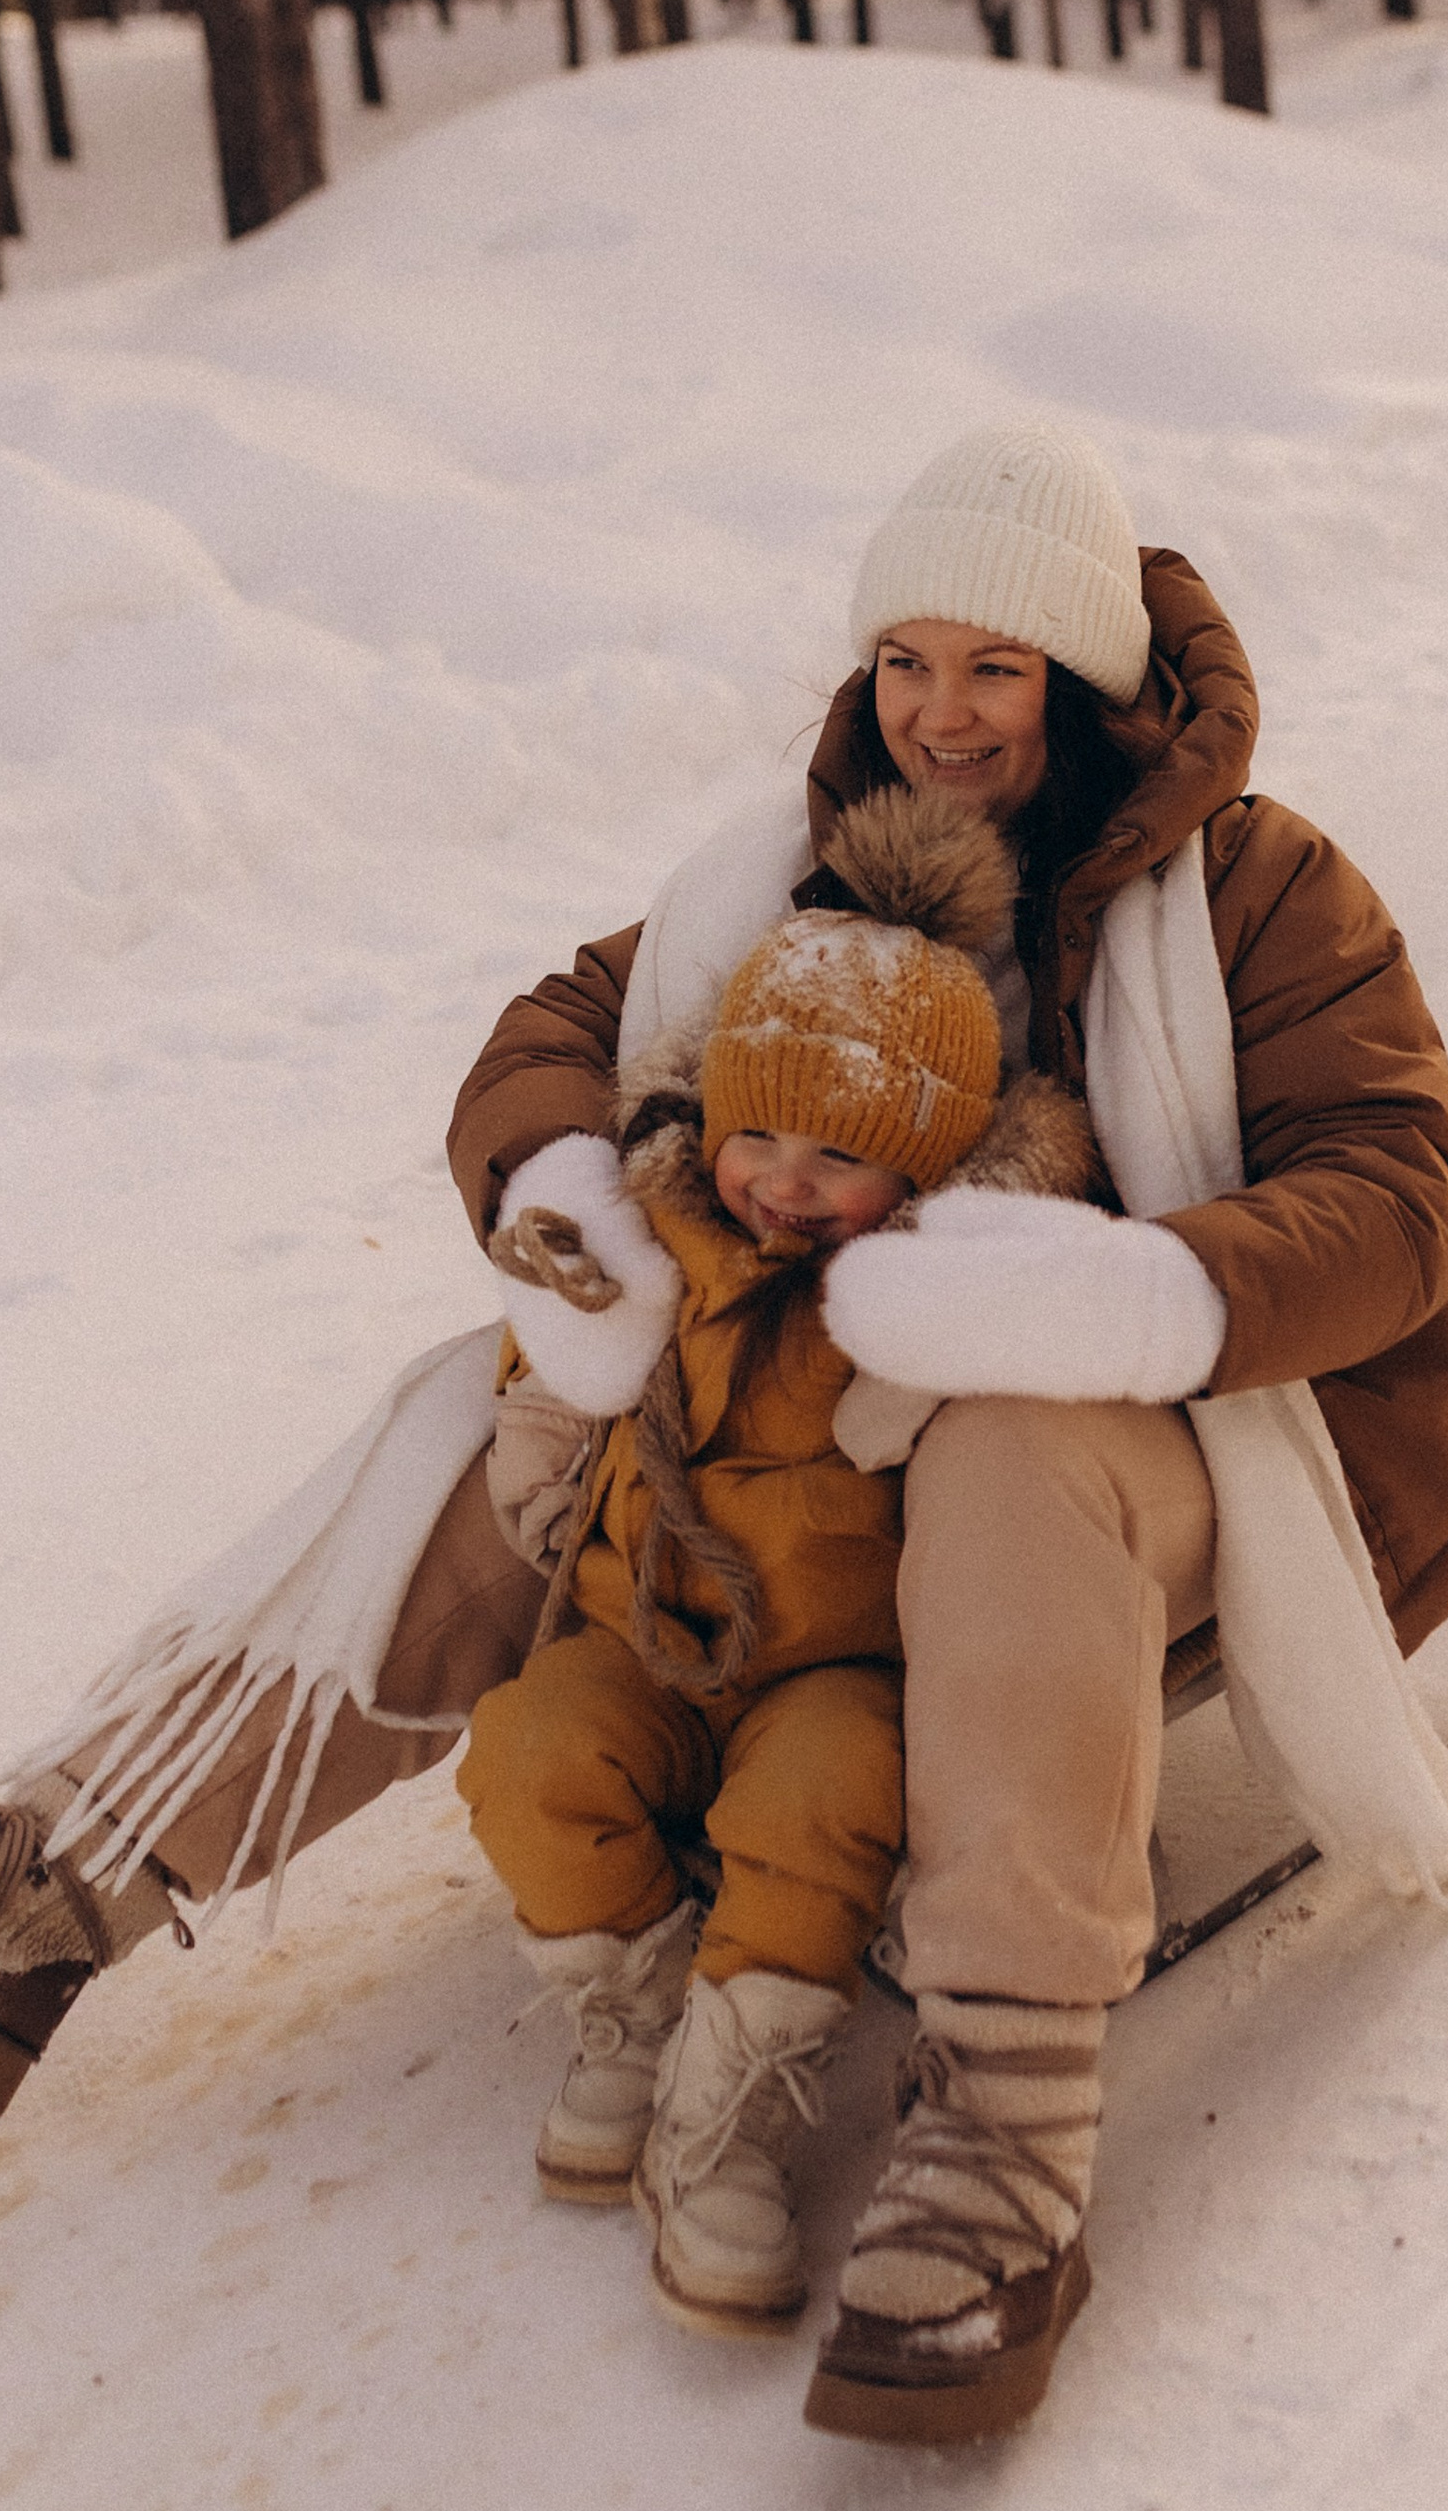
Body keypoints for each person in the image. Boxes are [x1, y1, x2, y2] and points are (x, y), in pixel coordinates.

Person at [0, 425, 1448, 2450]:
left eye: (993, 669)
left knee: (1008, 1437)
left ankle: (1004, 2133)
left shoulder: (1257, 889)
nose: (939, 713)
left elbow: (1403, 1192)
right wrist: (568, 1201)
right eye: (904, 660)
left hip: (1193, 1447)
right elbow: (554, 1030)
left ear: (1084, 681)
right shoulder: (792, 877)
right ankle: (48, 1880)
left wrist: (1100, 1297)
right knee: (503, 1400)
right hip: (825, 1449)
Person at [464, 787, 1090, 2341]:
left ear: (928, 1173)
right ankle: (630, 1998)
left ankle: (728, 2092)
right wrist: (549, 1481)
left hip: (830, 1664)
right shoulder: (658, 1227)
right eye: (759, 1134)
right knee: (530, 1753)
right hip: (640, 1629)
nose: (785, 1180)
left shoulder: (921, 1310)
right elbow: (556, 1360)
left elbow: (984, 1443)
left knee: (824, 1801)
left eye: (843, 1155)